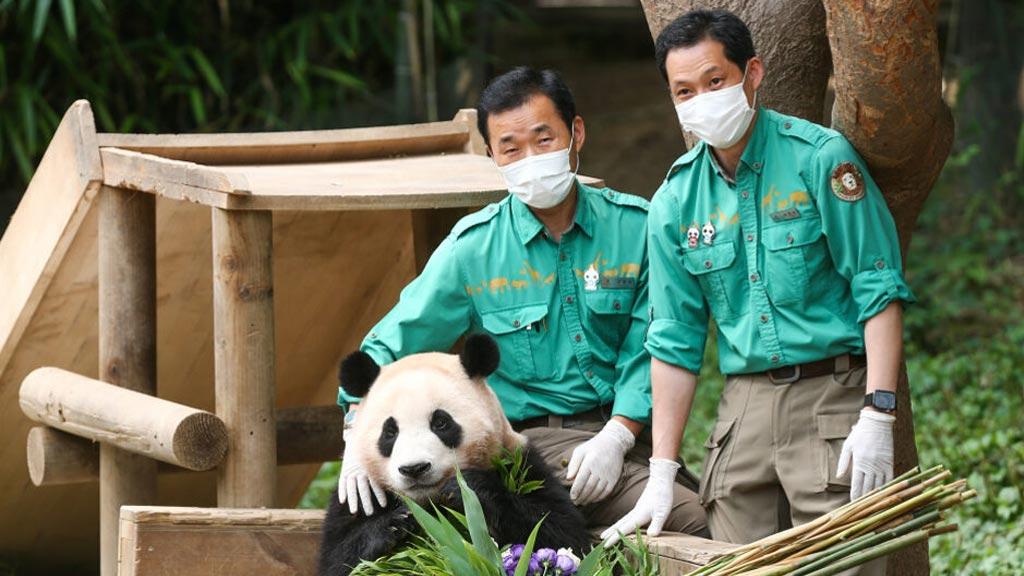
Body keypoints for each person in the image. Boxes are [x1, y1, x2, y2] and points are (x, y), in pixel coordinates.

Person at [602, 10, 914, 572]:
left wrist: (879, 412)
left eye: (714, 81)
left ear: (752, 73)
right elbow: (674, 340)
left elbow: (878, 288)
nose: (701, 100)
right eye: (684, 91)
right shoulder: (674, 201)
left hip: (831, 391)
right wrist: (663, 471)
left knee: (842, 561)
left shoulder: (820, 159)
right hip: (742, 406)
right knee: (733, 563)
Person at [335, 66, 708, 537]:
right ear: (492, 155)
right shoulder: (473, 248)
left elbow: (653, 344)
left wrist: (617, 434)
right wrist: (356, 429)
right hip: (528, 445)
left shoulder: (638, 227)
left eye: (543, 139)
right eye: (511, 148)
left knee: (702, 507)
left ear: (576, 133)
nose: (530, 157)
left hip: (628, 436)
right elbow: (388, 344)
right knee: (692, 520)